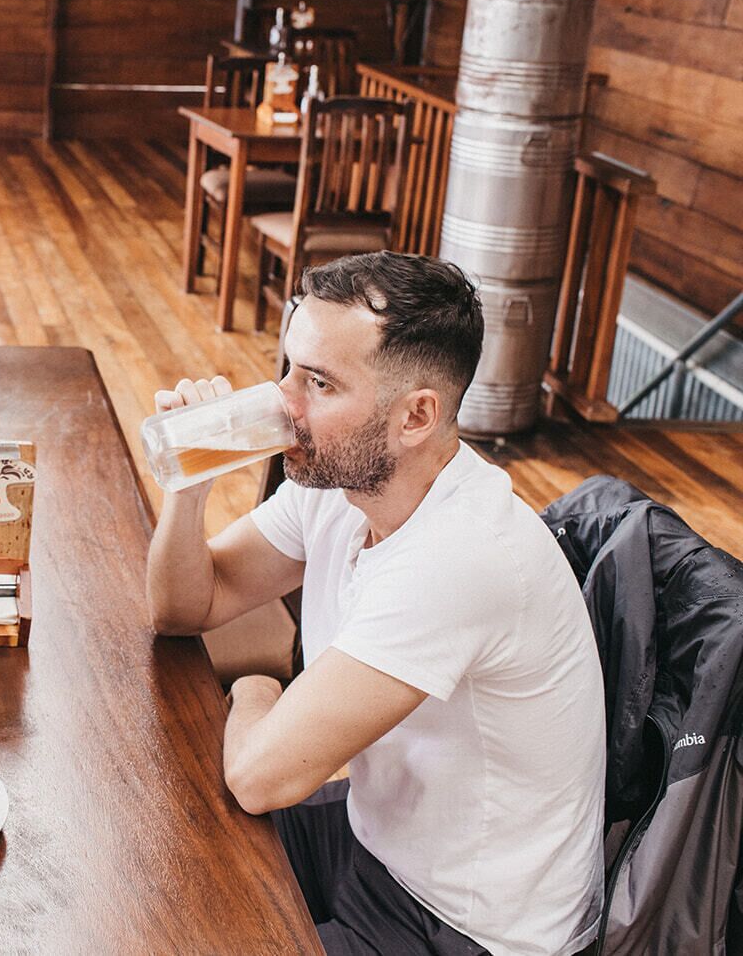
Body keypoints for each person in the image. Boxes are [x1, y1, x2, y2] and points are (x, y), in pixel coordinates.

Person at [147, 252, 605, 955]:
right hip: (379, 844)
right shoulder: (340, 483)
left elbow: (260, 775)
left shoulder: (457, 559)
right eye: (288, 368)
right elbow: (184, 604)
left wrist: (256, 685)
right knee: (166, 852)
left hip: (469, 927)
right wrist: (190, 485)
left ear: (416, 415)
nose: (284, 403)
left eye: (320, 382)